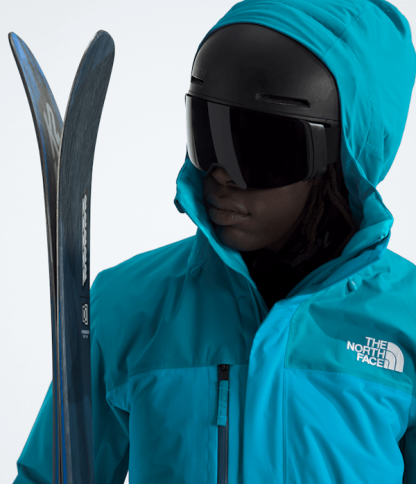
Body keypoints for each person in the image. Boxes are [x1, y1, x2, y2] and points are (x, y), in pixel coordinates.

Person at [13, 0, 416, 483]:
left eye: (259, 145)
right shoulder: (128, 306)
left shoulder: (406, 318)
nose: (221, 173)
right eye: (208, 132)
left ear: (342, 162)